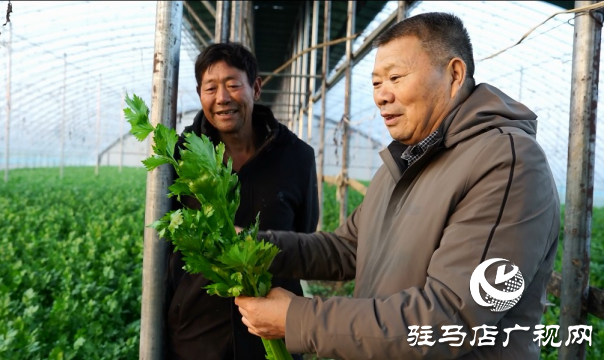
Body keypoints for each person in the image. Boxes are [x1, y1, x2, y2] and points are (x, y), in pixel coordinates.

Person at [235, 12, 560, 359]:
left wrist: (298, 319)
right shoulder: (406, 161)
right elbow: (348, 248)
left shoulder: (508, 163)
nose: (381, 96)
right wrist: (252, 246)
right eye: (376, 83)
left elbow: (453, 318)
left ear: (454, 74)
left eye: (395, 77)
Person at [164, 42, 319, 360]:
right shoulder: (178, 156)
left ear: (256, 88)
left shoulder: (297, 157)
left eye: (233, 85)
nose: (222, 98)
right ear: (200, 94)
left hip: (273, 332)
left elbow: (304, 236)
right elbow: (165, 243)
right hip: (197, 335)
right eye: (211, 88)